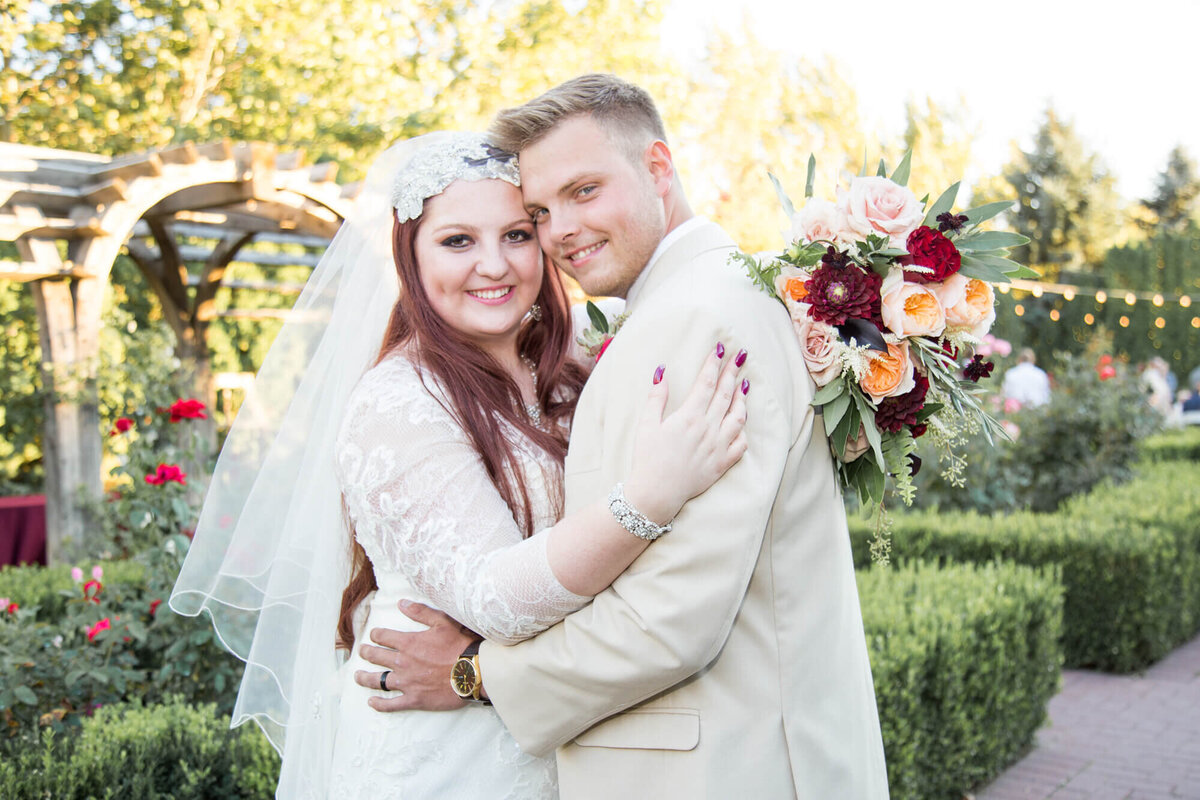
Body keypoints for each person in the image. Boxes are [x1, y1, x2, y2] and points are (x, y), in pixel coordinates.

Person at [170, 131, 750, 798]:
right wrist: (650, 495)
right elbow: (496, 598)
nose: (495, 265)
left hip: (564, 738)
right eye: (457, 241)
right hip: (442, 759)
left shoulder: (575, 369)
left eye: (516, 234)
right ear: (409, 256)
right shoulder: (397, 403)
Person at [359, 75, 889, 799]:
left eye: (584, 191)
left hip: (721, 762)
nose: (559, 233)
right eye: (542, 211)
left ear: (659, 169)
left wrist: (475, 673)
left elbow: (671, 616)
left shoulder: (699, 317)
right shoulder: (684, 306)